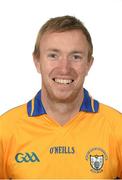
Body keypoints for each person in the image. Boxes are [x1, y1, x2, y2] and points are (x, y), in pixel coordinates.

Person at [0, 15, 122, 179]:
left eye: (76, 57)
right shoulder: (5, 130)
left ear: (88, 64)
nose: (64, 68)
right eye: (53, 55)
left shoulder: (117, 128)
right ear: (37, 61)